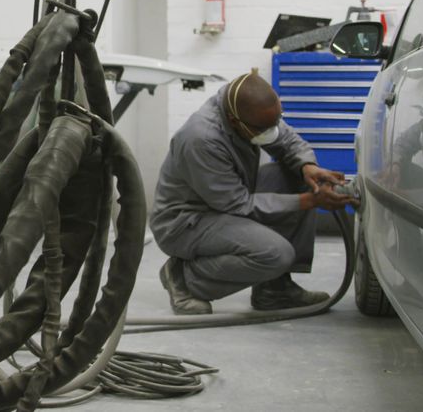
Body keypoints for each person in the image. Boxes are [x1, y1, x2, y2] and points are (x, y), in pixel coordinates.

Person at [150, 69, 355, 314]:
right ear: (236, 121)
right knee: (275, 254)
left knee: (298, 177)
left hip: (223, 202)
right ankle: (185, 279)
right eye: (264, 128)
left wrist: (308, 167)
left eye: (275, 122)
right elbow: (238, 204)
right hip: (186, 222)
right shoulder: (201, 138)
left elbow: (287, 140)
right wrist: (308, 201)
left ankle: (274, 289)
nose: (271, 131)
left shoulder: (249, 112)